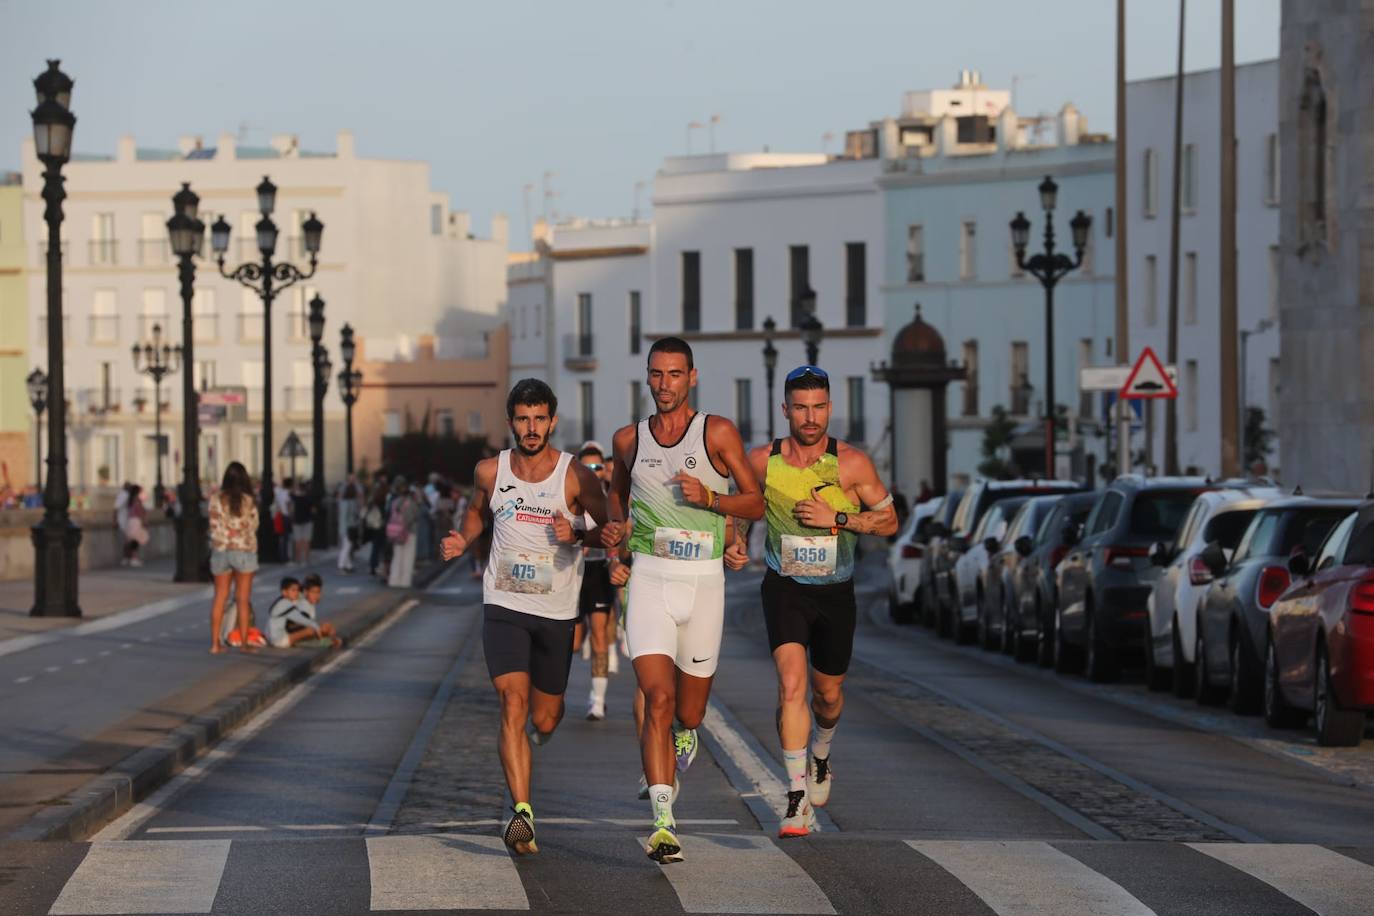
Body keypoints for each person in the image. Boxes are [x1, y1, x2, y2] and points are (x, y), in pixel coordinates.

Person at [441, 378, 622, 856]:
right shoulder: (490, 470)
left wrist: (577, 533)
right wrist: (464, 538)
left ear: (552, 421)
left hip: (556, 611)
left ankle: (542, 733)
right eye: (523, 419)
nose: (531, 428)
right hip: (504, 603)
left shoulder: (575, 476)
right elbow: (477, 513)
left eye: (539, 418)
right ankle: (522, 811)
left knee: (546, 717)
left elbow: (608, 530)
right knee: (511, 703)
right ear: (511, 423)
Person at [608, 337, 764, 864]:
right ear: (647, 376)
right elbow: (616, 494)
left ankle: (685, 733)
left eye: (675, 374)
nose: (665, 384)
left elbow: (755, 501)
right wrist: (617, 534)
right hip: (650, 579)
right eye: (657, 374)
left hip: (704, 583)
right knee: (656, 698)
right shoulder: (628, 439)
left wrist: (714, 502)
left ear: (691, 377)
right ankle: (663, 822)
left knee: (689, 712)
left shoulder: (716, 432)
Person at [724, 365, 897, 837]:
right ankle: (796, 798)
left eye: (818, 407)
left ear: (829, 408)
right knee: (791, 685)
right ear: (785, 409)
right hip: (785, 586)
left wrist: (837, 518)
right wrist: (736, 541)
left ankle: (821, 752)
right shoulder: (762, 460)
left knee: (828, 696)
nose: (810, 417)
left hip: (835, 592)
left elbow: (889, 521)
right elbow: (742, 507)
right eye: (801, 408)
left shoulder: (852, 464)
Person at [572, 443, 617, 720]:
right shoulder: (569, 494)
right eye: (586, 467)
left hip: (599, 571)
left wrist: (615, 556)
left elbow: (620, 532)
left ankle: (597, 700)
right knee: (574, 643)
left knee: (599, 633)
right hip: (572, 572)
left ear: (604, 470)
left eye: (597, 467)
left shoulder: (612, 498)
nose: (592, 471)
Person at [209, 462, 260, 654]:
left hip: (221, 551)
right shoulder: (248, 500)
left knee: (220, 597)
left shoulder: (215, 499)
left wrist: (226, 535)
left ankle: (215, 644)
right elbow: (254, 525)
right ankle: (244, 644)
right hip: (244, 551)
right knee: (242, 599)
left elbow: (213, 525)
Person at [387, 477, 421, 588]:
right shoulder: (411, 503)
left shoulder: (394, 502)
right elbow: (416, 515)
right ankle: (405, 581)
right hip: (409, 532)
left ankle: (394, 579)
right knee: (408, 557)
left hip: (396, 532)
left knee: (397, 556)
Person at [337, 474, 362, 573]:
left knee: (346, 545)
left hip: (343, 527)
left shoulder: (343, 502)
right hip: (349, 528)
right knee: (347, 546)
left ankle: (348, 565)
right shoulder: (352, 503)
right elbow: (353, 517)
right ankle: (341, 565)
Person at [123, 484, 149, 567]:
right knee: (135, 541)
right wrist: (144, 520)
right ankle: (134, 558)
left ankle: (126, 558)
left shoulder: (130, 499)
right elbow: (140, 511)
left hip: (130, 521)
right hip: (136, 521)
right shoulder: (137, 499)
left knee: (130, 540)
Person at [291, 478, 315, 566]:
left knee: (298, 541)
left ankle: (298, 560)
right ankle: (306, 559)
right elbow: (313, 510)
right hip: (307, 521)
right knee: (307, 541)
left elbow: (291, 494)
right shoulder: (309, 498)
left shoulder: (295, 498)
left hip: (297, 521)